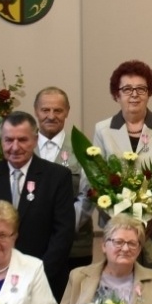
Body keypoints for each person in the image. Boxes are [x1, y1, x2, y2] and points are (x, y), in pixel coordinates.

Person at [0, 110, 77, 299]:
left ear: (35, 140)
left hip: (45, 279)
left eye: (22, 140)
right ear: (1, 141)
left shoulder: (57, 177)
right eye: (8, 140)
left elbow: (63, 233)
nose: (15, 147)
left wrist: (38, 276)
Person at [92, 59, 152, 279]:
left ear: (149, 92)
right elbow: (96, 179)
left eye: (141, 89)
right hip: (116, 225)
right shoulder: (103, 130)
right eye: (127, 89)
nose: (134, 94)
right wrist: (121, 215)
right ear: (117, 95)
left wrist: (151, 215)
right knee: (119, 280)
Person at [34, 86, 94, 274]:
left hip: (74, 245)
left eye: (58, 110)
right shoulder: (23, 147)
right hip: (31, 241)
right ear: (36, 111)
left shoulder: (82, 148)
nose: (51, 116)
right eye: (45, 110)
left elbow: (88, 196)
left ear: (67, 112)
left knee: (73, 300)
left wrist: (63, 228)